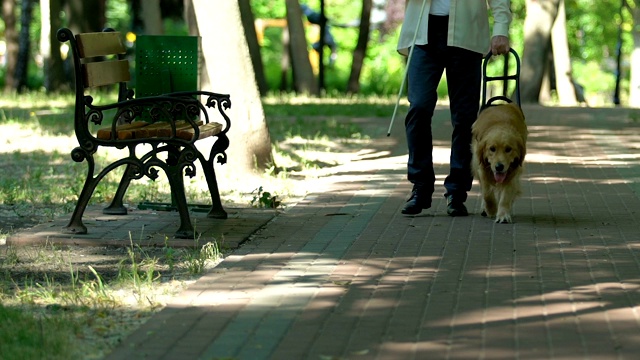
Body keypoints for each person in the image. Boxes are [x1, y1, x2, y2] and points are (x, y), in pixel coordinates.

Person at [397, 0, 512, 216]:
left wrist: (501, 29)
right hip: (423, 32)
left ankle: (457, 192)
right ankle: (420, 187)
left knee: (465, 117)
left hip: (466, 34)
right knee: (419, 108)